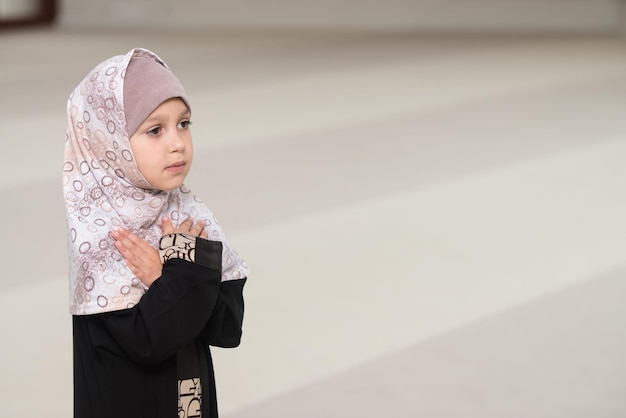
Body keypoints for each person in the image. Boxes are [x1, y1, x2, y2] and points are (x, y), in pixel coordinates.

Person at [63, 48, 249, 418]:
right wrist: (181, 273)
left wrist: (169, 276)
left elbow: (228, 328)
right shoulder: (103, 238)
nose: (177, 142)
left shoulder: (189, 216)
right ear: (108, 141)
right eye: (154, 130)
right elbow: (151, 341)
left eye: (184, 123)